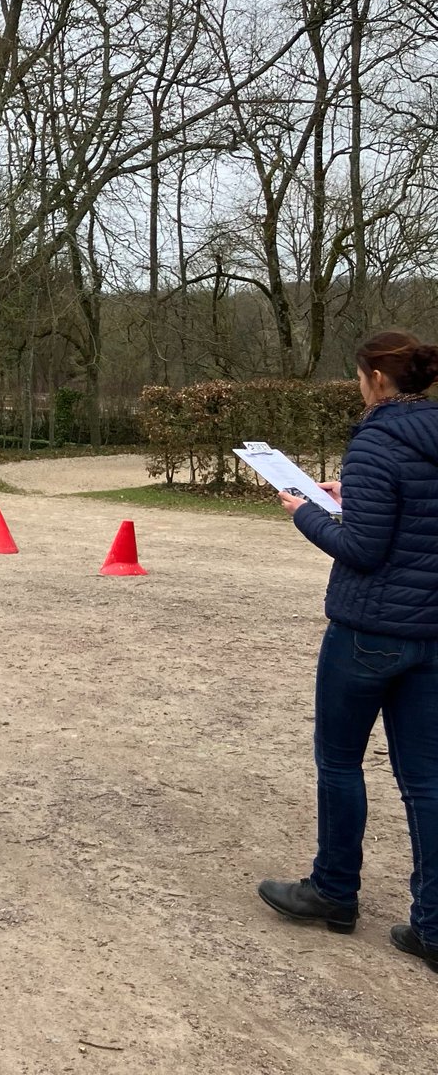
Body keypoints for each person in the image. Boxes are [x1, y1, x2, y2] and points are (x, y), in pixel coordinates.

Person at [258, 330, 438, 975]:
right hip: (431, 632)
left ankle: (334, 890)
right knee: (426, 780)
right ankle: (434, 925)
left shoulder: (376, 438)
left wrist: (306, 510)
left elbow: (363, 549)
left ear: (377, 380)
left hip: (368, 629)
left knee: (339, 762)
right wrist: (347, 497)